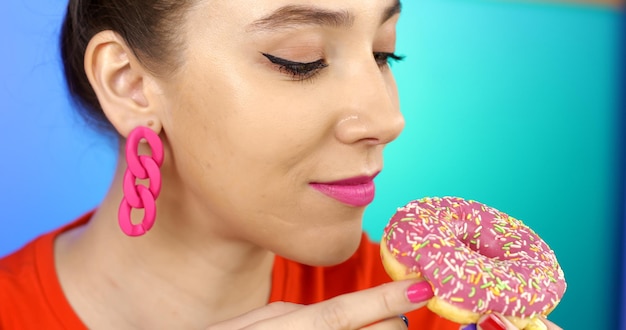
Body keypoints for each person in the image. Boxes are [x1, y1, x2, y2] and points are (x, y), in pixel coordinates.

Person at [0, 1, 564, 329]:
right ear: (129, 84)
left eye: (383, 53)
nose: (388, 119)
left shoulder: (428, 308)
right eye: (302, 60)